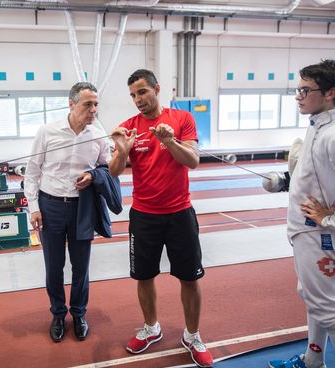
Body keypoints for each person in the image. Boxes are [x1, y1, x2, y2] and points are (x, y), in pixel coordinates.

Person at [265, 60, 335, 368]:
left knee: (327, 307)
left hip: (320, 234)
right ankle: (314, 360)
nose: (298, 96)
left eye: (305, 90)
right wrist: (286, 181)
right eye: (298, 89)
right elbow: (320, 178)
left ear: (330, 92)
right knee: (312, 296)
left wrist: (332, 219)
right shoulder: (319, 126)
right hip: (308, 231)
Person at [110, 69, 213, 367]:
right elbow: (115, 171)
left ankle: (192, 335)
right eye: (132, 95)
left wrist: (169, 141)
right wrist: (122, 149)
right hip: (143, 216)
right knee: (143, 276)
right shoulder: (128, 127)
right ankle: (151, 328)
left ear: (156, 88)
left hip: (180, 213)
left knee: (190, 278)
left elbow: (192, 161)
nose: (138, 100)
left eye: (142, 92)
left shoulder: (182, 119)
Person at [24, 82, 111, 343]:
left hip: (82, 208)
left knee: (81, 267)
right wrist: (34, 208)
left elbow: (107, 169)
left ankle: (79, 313)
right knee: (54, 267)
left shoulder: (98, 134)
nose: (93, 109)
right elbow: (32, 172)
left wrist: (92, 175)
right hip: (50, 207)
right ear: (71, 104)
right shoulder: (47, 132)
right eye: (88, 104)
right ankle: (58, 314)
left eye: (96, 104)